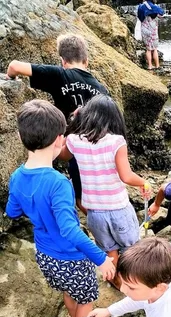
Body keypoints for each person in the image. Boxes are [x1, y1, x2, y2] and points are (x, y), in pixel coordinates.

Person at [5, 100, 116, 317]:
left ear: (22, 138)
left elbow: (12, 211)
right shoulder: (58, 183)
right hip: (71, 258)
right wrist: (101, 259)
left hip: (45, 256)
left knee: (69, 292)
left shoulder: (16, 177)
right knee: (86, 297)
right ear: (59, 140)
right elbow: (69, 230)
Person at [6, 33, 108, 214]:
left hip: (72, 146)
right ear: (86, 60)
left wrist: (11, 78)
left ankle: (95, 221)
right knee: (97, 188)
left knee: (80, 196)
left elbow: (14, 66)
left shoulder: (59, 74)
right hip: (97, 144)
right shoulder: (101, 88)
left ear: (63, 60)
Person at [59, 94, 149, 289]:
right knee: (131, 250)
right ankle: (135, 284)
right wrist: (144, 182)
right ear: (114, 118)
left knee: (110, 252)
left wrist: (74, 122)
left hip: (94, 213)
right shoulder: (116, 142)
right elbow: (126, 176)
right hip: (119, 209)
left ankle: (116, 283)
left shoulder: (75, 140)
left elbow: (63, 155)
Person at [137, 0, 164, 71]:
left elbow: (140, 17)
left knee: (148, 50)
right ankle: (157, 65)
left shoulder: (141, 7)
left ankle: (150, 66)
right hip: (153, 31)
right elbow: (161, 14)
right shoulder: (155, 8)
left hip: (145, 31)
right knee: (155, 49)